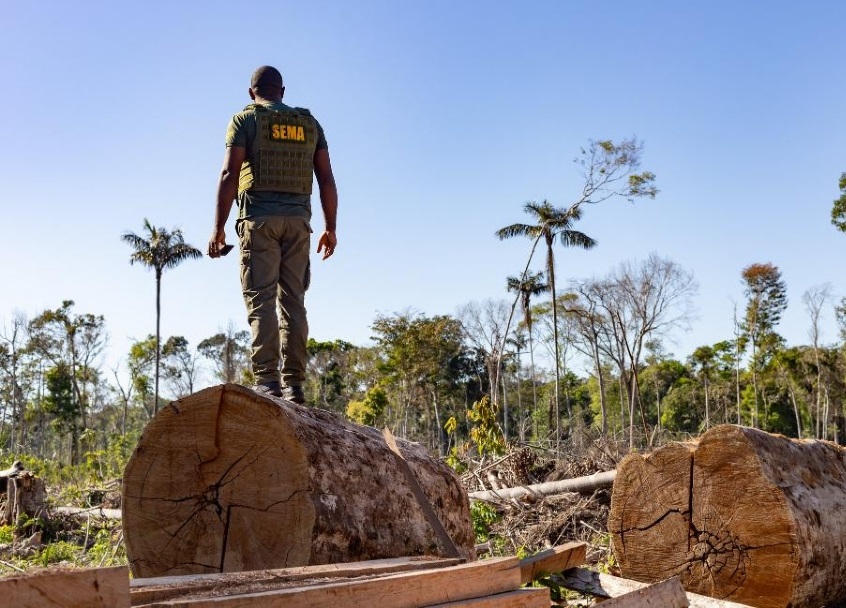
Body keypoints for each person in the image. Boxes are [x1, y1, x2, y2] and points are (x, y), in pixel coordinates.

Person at [208, 65, 338, 404]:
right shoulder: (310, 124)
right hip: (298, 223)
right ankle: (294, 386)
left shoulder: (244, 120)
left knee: (261, 300)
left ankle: (267, 381)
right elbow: (326, 179)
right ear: (283, 90)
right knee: (294, 302)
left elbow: (228, 174)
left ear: (252, 92)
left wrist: (219, 227)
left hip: (259, 221)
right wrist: (331, 228)